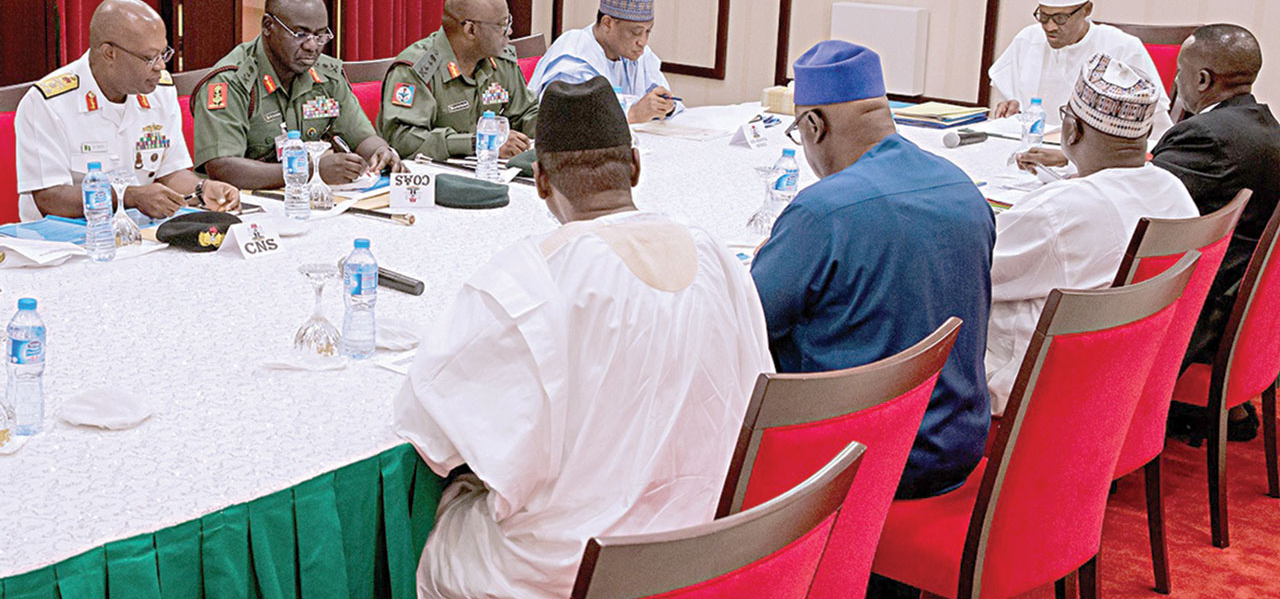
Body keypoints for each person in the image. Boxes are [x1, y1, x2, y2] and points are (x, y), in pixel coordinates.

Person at [393, 75, 771, 599]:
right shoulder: (717, 256)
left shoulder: (525, 280)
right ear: (635, 165)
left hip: (572, 570)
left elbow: (428, 429)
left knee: (446, 526)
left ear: (540, 181)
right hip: (706, 547)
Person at [751, 40, 995, 501]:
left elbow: (747, 323)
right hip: (955, 445)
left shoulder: (823, 212)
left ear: (814, 125)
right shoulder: (963, 188)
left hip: (854, 461)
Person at [987, 54, 1199, 413]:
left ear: (1072, 130)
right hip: (1121, 383)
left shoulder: (1062, 210)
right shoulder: (1173, 189)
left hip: (1035, 393)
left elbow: (973, 270)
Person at [1152, 24, 1280, 440]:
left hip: (1204, 316)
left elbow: (1140, 201)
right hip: (1247, 308)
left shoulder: (1205, 137)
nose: (1175, 81)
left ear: (1203, 79)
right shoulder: (1267, 128)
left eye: (1180, 72)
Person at [16, 0, 239, 221]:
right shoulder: (48, 103)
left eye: (163, 54)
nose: (161, 66)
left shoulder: (160, 91)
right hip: (66, 234)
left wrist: (203, 190)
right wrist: (129, 197)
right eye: (150, 58)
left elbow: (171, 173)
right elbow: (50, 198)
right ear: (109, 53)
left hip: (141, 230)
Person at [191, 0, 402, 190]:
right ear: (268, 26)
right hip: (243, 201)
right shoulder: (230, 81)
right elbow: (223, 167)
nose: (312, 46)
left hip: (308, 199)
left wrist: (381, 152)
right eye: (300, 34)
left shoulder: (326, 75)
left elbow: (362, 137)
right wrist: (309, 171)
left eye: (320, 35)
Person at [989, 0, 1171, 138]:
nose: (1050, 27)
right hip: (1031, 144)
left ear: (1086, 10)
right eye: (1044, 16)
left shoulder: (1123, 47)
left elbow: (1152, 122)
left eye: (1060, 18)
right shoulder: (1028, 39)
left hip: (1094, 153)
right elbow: (1011, 104)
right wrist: (1012, 108)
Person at [376, 0, 537, 161]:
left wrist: (556, 130)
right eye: (502, 25)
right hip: (432, 173)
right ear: (471, 30)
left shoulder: (500, 61)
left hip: (491, 170)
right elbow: (403, 139)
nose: (510, 32)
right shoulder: (416, 70)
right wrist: (479, 143)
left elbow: (526, 113)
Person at [528, 0, 683, 123]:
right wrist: (632, 114)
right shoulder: (574, 54)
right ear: (607, 23)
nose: (642, 41)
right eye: (635, 32)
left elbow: (663, 95)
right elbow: (570, 121)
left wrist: (666, 106)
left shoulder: (638, 52)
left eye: (648, 31)